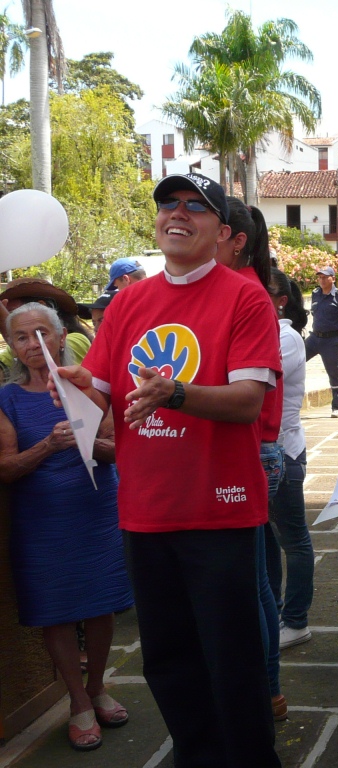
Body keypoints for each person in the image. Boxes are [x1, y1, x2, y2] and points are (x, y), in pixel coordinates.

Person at [51, 172, 283, 767]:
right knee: (168, 660)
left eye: (195, 207)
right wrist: (73, 388)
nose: (177, 214)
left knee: (232, 658)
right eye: (168, 205)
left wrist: (175, 394)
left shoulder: (244, 296)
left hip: (221, 508)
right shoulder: (129, 301)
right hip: (146, 511)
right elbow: (99, 392)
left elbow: (248, 401)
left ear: (222, 231)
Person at [0, 304, 132, 752]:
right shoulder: (8, 398)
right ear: (11, 346)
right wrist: (47, 446)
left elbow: (119, 450)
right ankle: (77, 701)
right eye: (21, 336)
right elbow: (6, 468)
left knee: (100, 604)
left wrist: (89, 441)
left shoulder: (89, 389)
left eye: (41, 331)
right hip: (42, 520)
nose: (32, 342)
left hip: (95, 511)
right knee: (54, 608)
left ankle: (97, 686)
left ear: (59, 337)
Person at [214, 196, 288, 721]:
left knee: (250, 580)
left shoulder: (246, 297)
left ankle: (264, 688)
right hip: (259, 446)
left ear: (234, 240)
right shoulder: (241, 292)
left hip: (253, 449)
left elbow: (246, 398)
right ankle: (267, 687)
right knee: (255, 575)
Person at [266, 268, 315, 652]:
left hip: (282, 450)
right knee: (267, 541)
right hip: (263, 451)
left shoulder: (286, 336)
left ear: (281, 300)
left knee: (293, 541)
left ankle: (296, 620)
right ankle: (273, 614)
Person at [305, 265, 338, 418]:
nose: (322, 280)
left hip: (331, 341)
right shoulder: (316, 294)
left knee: (334, 373)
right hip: (314, 338)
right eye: (320, 277)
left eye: (325, 277)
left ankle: (336, 406)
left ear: (333, 278)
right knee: (296, 360)